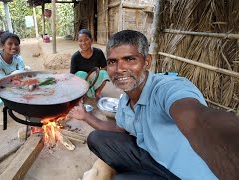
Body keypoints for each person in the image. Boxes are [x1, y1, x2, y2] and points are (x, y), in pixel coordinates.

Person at [68, 30, 239, 179]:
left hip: (180, 174)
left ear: (147, 62)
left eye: (129, 59)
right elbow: (121, 130)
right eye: (113, 61)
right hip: (152, 158)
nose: (119, 68)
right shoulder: (124, 102)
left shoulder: (166, 88)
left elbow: (197, 119)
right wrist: (85, 116)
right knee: (96, 139)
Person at [70, 29, 110, 100]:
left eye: (86, 39)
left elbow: (104, 67)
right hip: (82, 82)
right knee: (80, 73)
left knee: (104, 73)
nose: (83, 43)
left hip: (94, 80)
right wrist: (86, 77)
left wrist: (94, 73)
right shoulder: (75, 57)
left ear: (91, 40)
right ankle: (82, 94)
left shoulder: (98, 52)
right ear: (78, 42)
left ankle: (97, 92)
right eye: (80, 41)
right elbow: (72, 76)